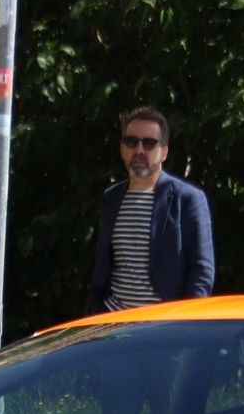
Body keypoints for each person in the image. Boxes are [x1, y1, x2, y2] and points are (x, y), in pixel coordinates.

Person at [88, 106, 215, 314]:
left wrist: (182, 323)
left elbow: (202, 271)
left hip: (162, 330)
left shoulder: (188, 199)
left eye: (149, 143)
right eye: (131, 142)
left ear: (164, 152)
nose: (139, 150)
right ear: (122, 148)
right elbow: (104, 265)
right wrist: (95, 309)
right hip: (113, 327)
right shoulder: (111, 198)